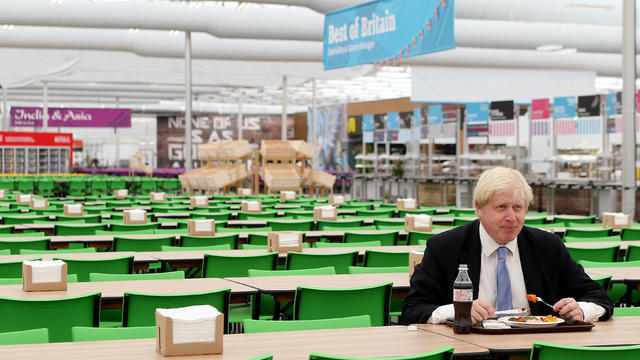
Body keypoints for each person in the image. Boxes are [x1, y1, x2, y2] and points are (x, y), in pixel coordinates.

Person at [401, 167, 613, 325]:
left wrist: (581, 310)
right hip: (471, 352)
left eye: (518, 207)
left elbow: (598, 297)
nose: (511, 217)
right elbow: (412, 310)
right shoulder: (445, 248)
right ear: (479, 208)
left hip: (532, 348)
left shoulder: (547, 246)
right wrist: (457, 311)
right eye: (501, 207)